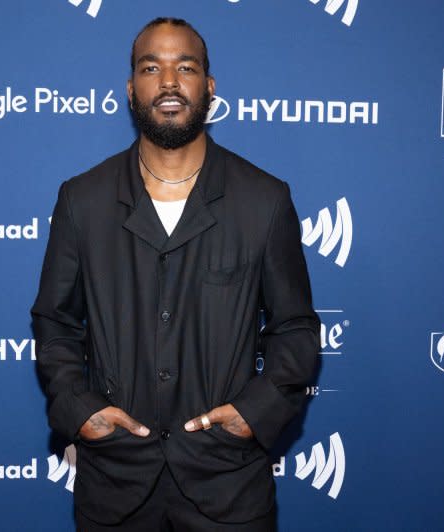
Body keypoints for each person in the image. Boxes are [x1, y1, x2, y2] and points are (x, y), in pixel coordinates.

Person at [31, 17, 320, 531]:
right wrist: (80, 410)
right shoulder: (83, 200)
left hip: (228, 484)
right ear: (130, 88)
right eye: (151, 67)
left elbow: (295, 329)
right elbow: (54, 322)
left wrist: (253, 414)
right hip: (115, 484)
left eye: (185, 67)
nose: (168, 81)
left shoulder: (264, 200)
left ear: (208, 87)